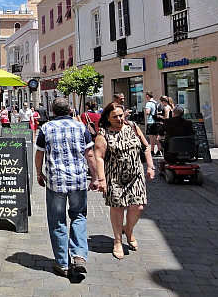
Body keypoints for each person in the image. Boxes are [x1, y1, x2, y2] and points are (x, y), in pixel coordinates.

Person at [35, 98, 98, 277]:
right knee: (78, 216)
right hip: (78, 180)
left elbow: (39, 154)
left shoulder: (46, 129)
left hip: (56, 181)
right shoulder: (81, 127)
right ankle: (79, 255)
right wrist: (95, 178)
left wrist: (39, 174)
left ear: (53, 112)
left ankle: (62, 263)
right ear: (70, 110)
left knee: (57, 220)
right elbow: (90, 154)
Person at [94, 103, 155, 260]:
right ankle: (118, 241)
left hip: (136, 175)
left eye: (121, 115)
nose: (119, 119)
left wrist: (150, 166)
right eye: (115, 116)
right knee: (118, 207)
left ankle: (128, 229)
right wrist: (101, 179)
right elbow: (99, 157)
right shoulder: (103, 133)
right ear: (107, 117)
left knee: (139, 207)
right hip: (115, 177)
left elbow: (146, 147)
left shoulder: (133, 127)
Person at [144, 91, 161, 156]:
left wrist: (146, 110)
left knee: (151, 137)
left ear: (147, 96)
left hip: (151, 121)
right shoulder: (155, 102)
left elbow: (148, 112)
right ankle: (159, 150)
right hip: (157, 121)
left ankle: (152, 150)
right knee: (157, 137)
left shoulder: (148, 103)